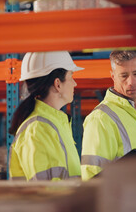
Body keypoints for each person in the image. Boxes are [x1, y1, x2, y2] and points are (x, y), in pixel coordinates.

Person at [80, 49, 136, 181]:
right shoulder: (101, 118)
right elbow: (93, 180)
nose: (131, 82)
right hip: (123, 200)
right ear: (113, 76)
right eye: (123, 76)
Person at [9, 51, 84, 181]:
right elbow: (46, 190)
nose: (75, 83)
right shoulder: (38, 129)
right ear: (58, 84)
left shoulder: (54, 123)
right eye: (71, 76)